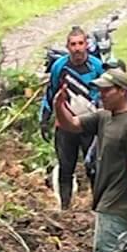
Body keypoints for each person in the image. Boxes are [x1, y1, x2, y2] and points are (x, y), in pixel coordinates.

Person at [53, 70, 127, 252]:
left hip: (116, 204)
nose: (102, 94)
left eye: (107, 90)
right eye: (100, 90)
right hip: (107, 197)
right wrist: (59, 105)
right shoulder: (103, 117)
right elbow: (73, 124)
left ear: (123, 92)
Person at [40, 26, 107, 209]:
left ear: (86, 45)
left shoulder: (97, 66)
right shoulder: (59, 66)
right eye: (73, 44)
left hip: (90, 123)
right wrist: (44, 118)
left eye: (80, 44)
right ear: (68, 47)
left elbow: (106, 94)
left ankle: (98, 205)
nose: (77, 48)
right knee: (65, 167)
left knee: (93, 166)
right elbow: (50, 93)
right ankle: (65, 206)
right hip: (65, 124)